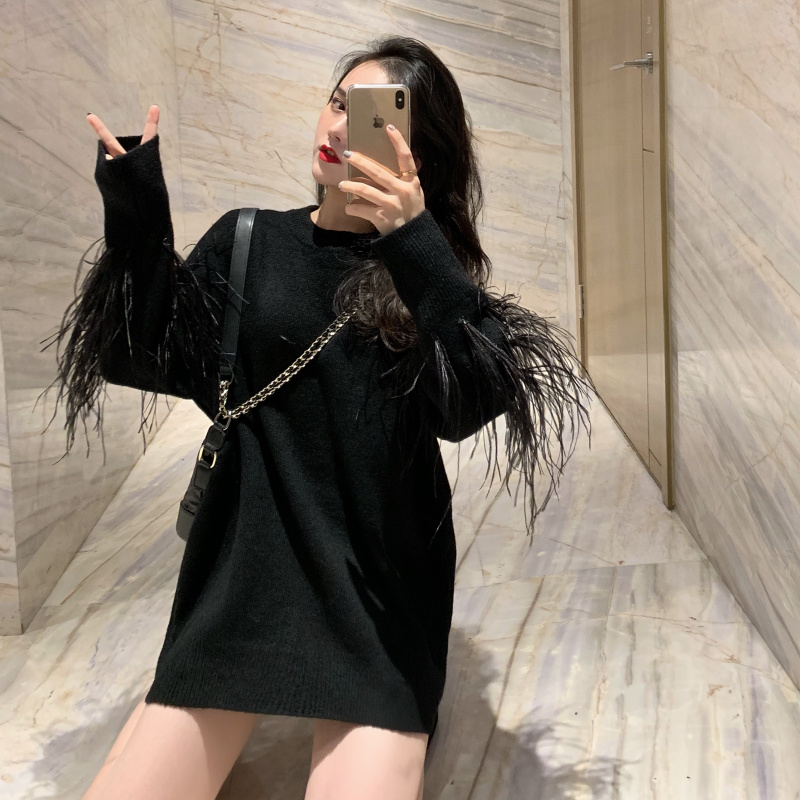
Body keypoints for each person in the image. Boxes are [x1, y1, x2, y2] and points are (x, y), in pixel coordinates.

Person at [42, 35, 594, 800]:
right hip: (243, 576)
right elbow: (139, 357)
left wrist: (414, 240)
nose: (338, 128)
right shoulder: (249, 241)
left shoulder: (421, 273)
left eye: (370, 118)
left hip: (377, 588)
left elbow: (471, 406)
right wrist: (136, 215)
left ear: (417, 155)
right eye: (337, 102)